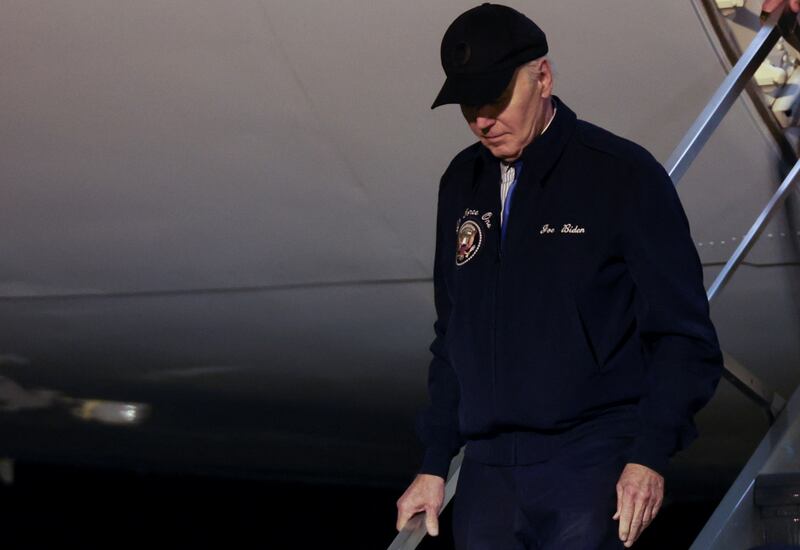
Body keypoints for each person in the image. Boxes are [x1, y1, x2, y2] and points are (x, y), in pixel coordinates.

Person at [395, 4, 725, 549]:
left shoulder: (621, 174)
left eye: (497, 98)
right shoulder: (461, 182)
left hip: (590, 464)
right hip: (488, 475)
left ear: (543, 77)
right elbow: (453, 336)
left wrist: (649, 453)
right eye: (470, 104)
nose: (483, 119)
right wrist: (433, 462)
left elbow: (683, 336)